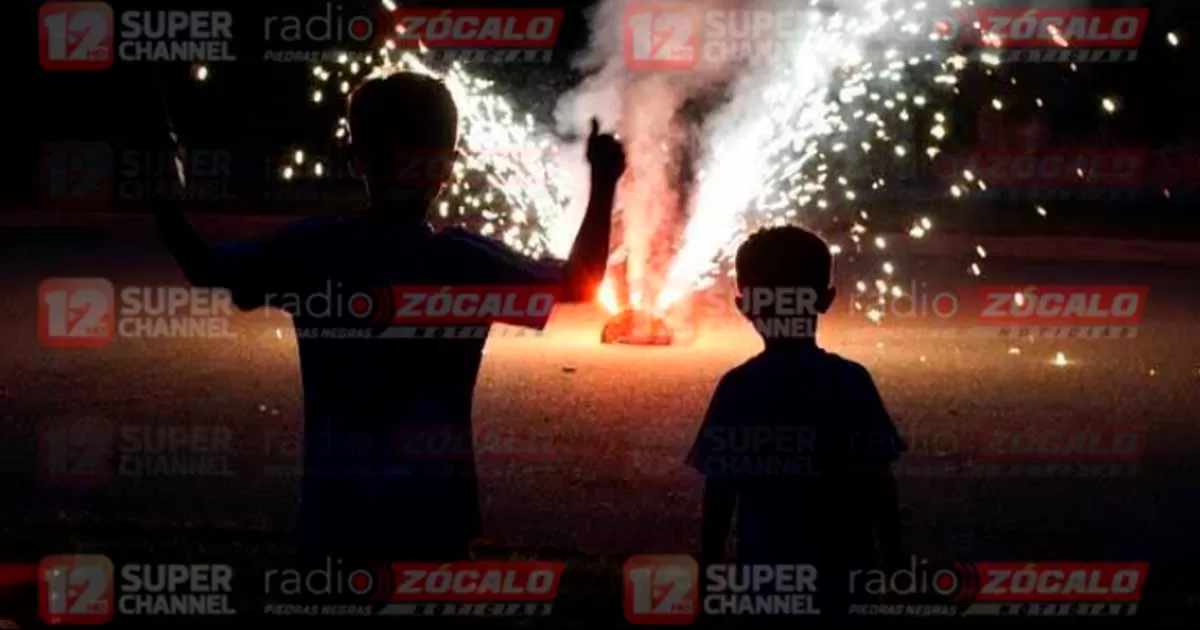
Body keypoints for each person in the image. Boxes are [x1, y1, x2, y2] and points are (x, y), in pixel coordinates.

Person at [154, 72, 626, 559]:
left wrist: (161, 194)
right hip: (434, 527)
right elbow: (582, 283)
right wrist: (604, 183)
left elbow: (204, 266)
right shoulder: (462, 261)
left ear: (357, 160)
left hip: (334, 523)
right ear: (447, 169)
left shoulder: (314, 249)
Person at [687, 226, 905, 616]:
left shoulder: (737, 389)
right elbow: (879, 484)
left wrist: (709, 569)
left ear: (744, 305)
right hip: (844, 582)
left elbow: (720, 493)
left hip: (767, 584)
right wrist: (896, 560)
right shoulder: (851, 381)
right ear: (826, 299)